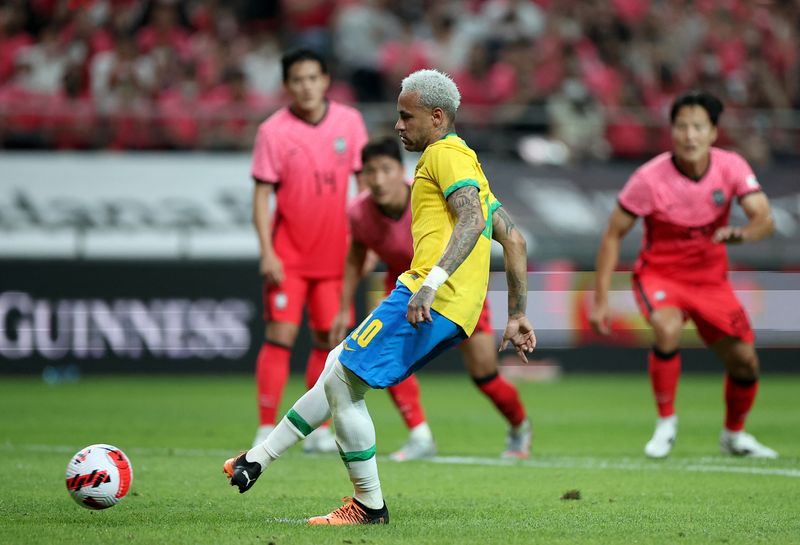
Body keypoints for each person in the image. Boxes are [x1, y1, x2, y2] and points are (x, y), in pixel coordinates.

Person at [224, 69, 536, 524]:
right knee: (337, 365)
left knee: (343, 381)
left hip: (429, 295)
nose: (398, 125)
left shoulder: (443, 156)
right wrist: (519, 314)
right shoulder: (465, 162)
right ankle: (258, 459)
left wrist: (428, 286)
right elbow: (515, 240)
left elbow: (470, 221)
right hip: (453, 306)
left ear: (436, 116)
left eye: (406, 117)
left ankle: (368, 505)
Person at [590, 90, 778, 459]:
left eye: (698, 127)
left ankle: (734, 436)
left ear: (713, 132)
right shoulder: (648, 179)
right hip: (661, 275)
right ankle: (666, 424)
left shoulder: (732, 167)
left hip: (711, 281)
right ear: (671, 131)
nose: (689, 135)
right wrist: (600, 301)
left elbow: (764, 220)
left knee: (745, 361)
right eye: (681, 127)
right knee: (667, 327)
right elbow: (612, 234)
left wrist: (742, 234)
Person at [329, 136, 532, 461]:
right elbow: (356, 258)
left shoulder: (428, 195)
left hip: (456, 288)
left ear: (401, 171)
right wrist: (343, 307)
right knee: (385, 360)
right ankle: (419, 434)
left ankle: (520, 426)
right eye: (370, 172)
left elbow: (483, 229)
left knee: (485, 376)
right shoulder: (359, 213)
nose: (378, 180)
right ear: (362, 177)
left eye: (386, 169)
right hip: (404, 291)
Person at [249, 48, 368, 451]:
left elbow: (364, 187)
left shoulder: (349, 123)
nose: (306, 86)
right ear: (287, 85)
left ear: (326, 80)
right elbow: (261, 195)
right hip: (290, 255)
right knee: (280, 334)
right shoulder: (273, 131)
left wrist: (365, 244)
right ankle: (267, 425)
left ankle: (316, 429)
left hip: (336, 255)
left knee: (328, 342)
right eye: (298, 79)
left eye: (313, 78)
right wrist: (267, 251)